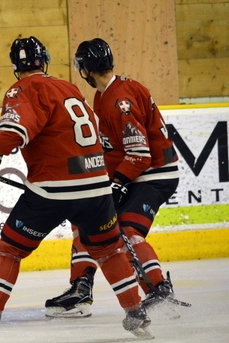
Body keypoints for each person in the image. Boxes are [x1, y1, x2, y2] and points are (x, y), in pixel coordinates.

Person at [0, 36, 151, 343]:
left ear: (15, 67)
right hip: (96, 185)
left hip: (53, 190)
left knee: (10, 249)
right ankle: (136, 314)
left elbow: (14, 131)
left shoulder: (22, 89)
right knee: (108, 250)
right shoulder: (69, 87)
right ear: (44, 60)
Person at [44, 38, 180, 318]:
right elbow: (114, 148)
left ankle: (159, 289)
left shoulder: (120, 100)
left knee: (128, 232)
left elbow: (140, 154)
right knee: (87, 217)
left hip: (151, 175)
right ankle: (81, 287)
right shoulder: (104, 95)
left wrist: (116, 183)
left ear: (86, 68)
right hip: (134, 174)